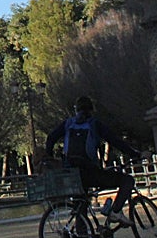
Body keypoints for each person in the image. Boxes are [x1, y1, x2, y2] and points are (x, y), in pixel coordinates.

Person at [45, 96, 142, 225]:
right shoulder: (94, 124)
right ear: (91, 110)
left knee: (80, 206)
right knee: (127, 180)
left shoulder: (68, 123)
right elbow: (115, 141)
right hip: (90, 172)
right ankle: (115, 211)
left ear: (76, 110)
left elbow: (51, 137)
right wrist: (134, 154)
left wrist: (50, 156)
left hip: (72, 173)